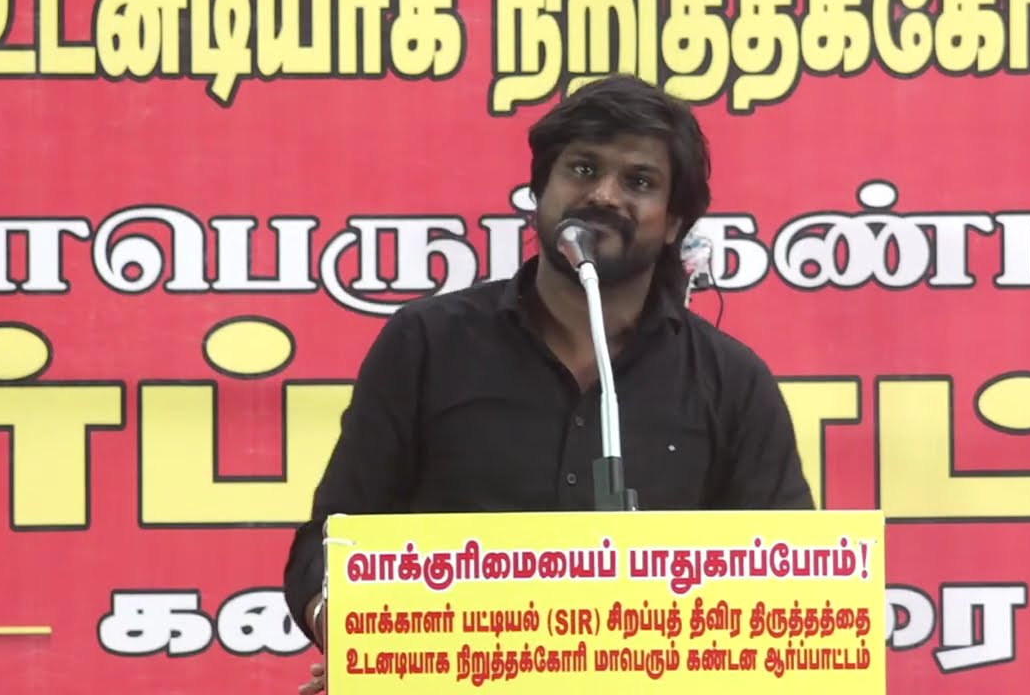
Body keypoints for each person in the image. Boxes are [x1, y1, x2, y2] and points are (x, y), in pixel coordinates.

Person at [282, 73, 815, 694]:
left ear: (674, 222)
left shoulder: (731, 381)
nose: (604, 195)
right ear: (540, 191)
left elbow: (789, 582)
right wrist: (363, 638)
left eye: (639, 182)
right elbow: (330, 544)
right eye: (583, 169)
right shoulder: (427, 343)